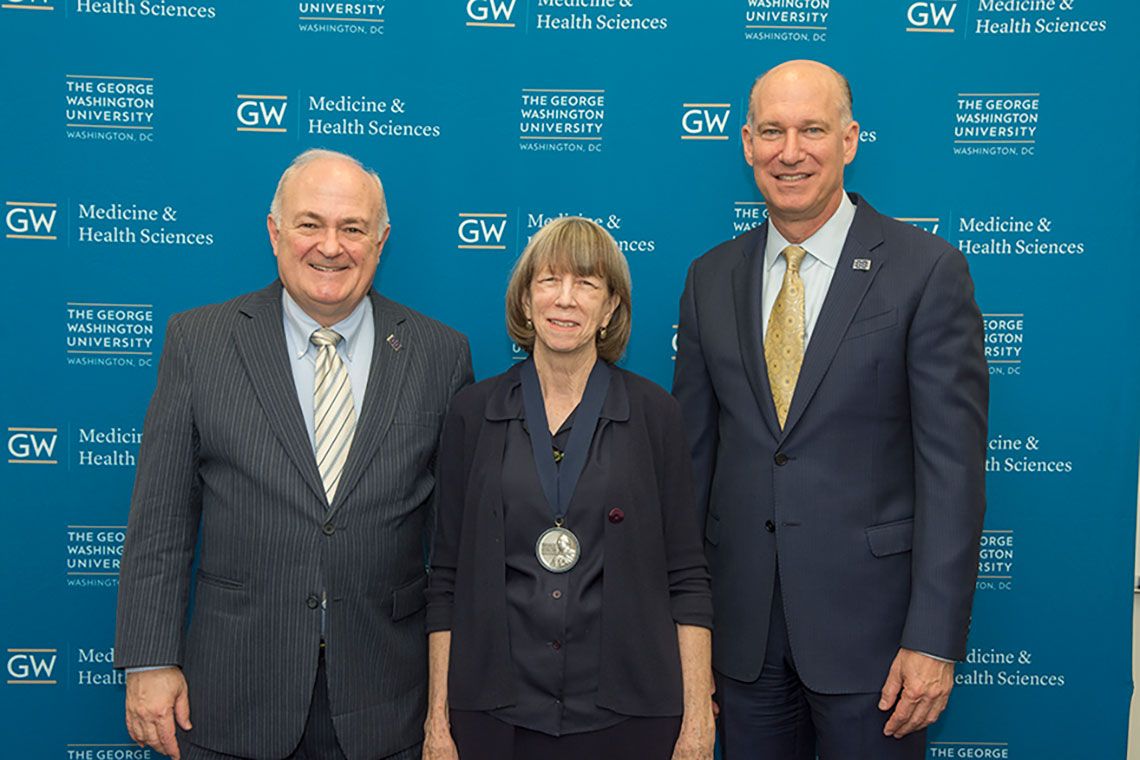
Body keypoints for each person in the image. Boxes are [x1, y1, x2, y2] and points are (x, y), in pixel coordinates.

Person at [672, 60, 988, 759]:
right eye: (772, 132)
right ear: (747, 144)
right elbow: (690, 470)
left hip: (875, 648)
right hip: (741, 640)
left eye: (812, 130)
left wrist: (933, 641)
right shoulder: (708, 278)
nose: (791, 152)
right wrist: (690, 640)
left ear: (848, 139)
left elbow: (952, 475)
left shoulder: (927, 270)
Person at [114, 149, 473, 760]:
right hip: (232, 696)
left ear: (380, 241)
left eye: (352, 228)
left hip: (390, 701)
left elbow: (456, 545)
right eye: (310, 224)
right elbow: (161, 520)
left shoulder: (440, 354)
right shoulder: (199, 342)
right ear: (275, 232)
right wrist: (149, 659)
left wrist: (451, 693)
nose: (330, 246)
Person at [423, 217, 715, 760]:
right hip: (493, 713)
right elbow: (446, 579)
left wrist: (698, 721)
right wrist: (437, 722)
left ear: (610, 309)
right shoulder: (472, 413)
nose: (565, 299)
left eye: (586, 284)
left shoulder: (656, 414)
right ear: (526, 299)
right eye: (549, 281)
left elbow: (688, 578)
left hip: (630, 713)